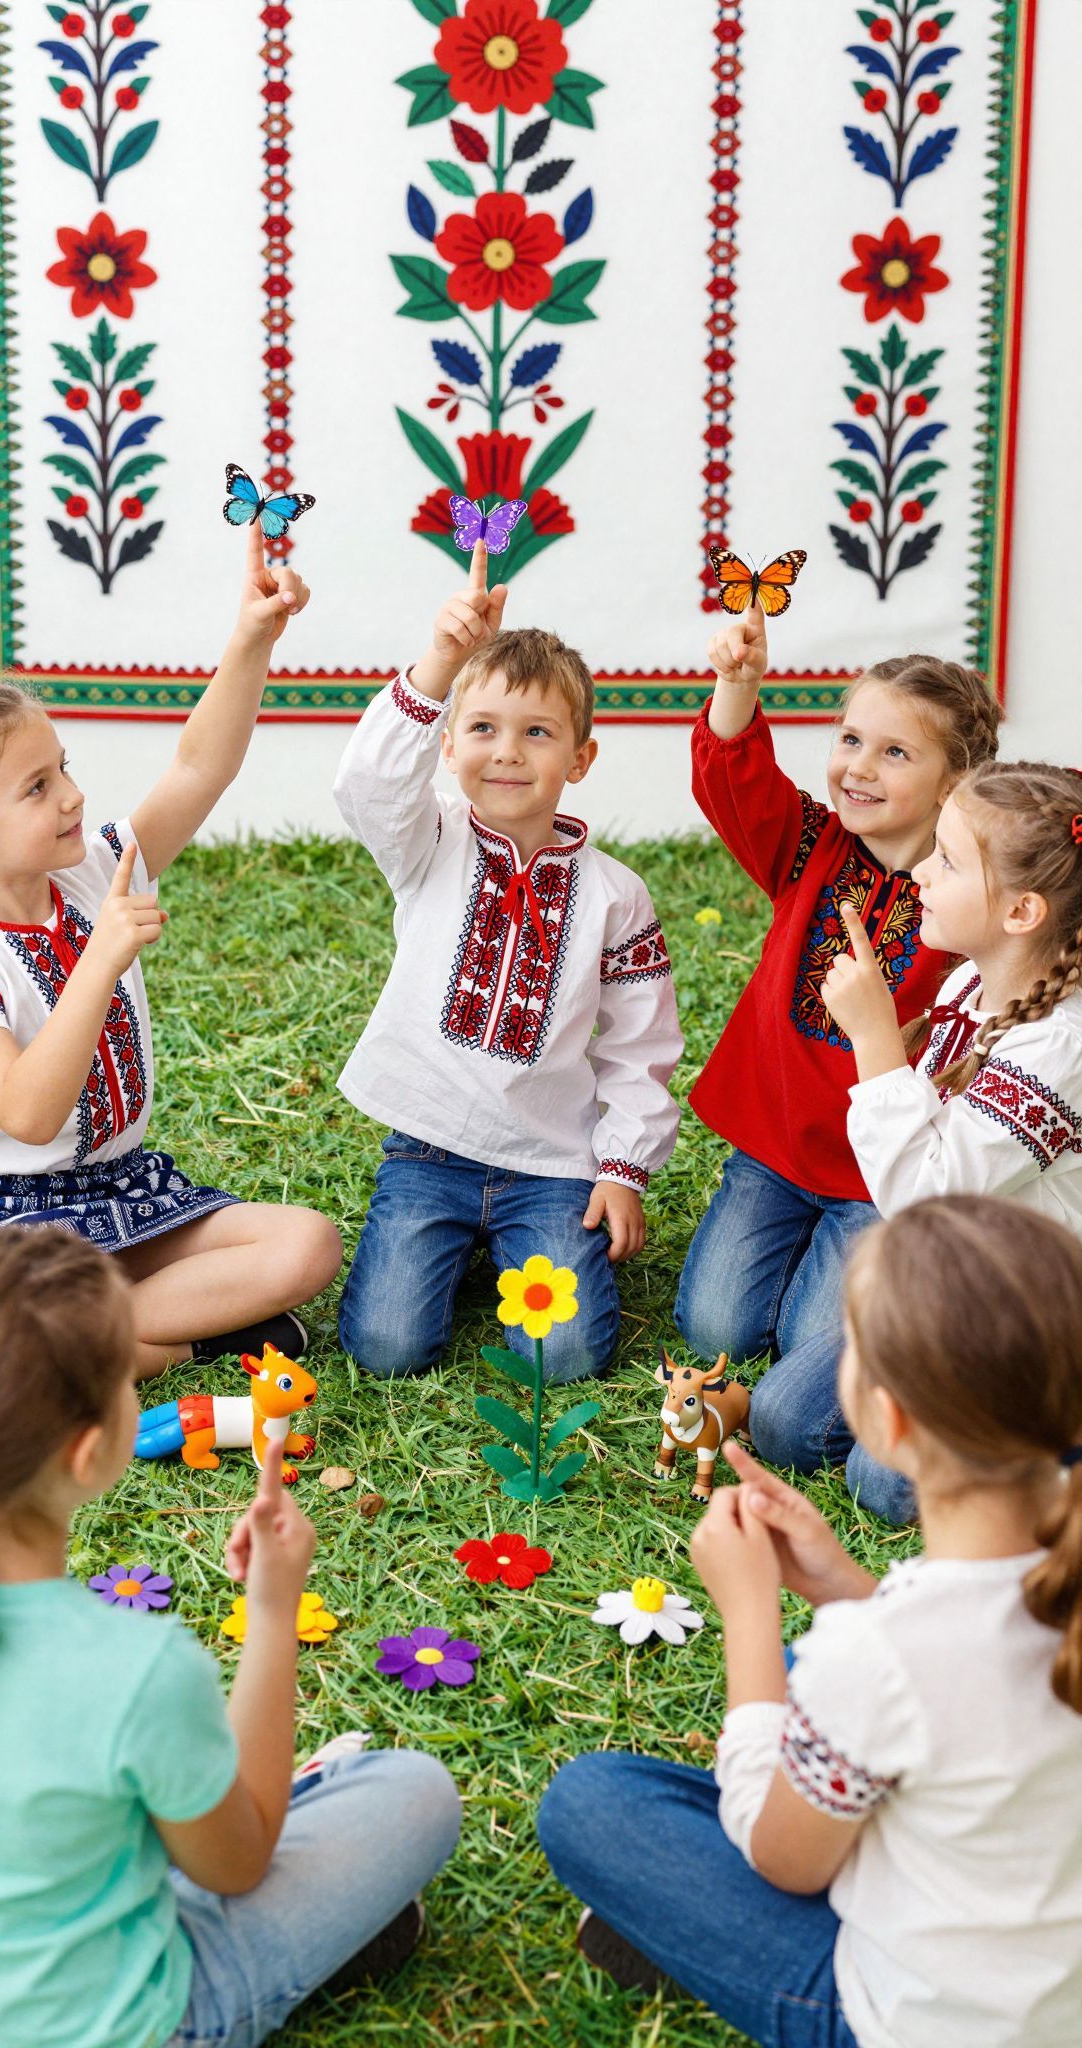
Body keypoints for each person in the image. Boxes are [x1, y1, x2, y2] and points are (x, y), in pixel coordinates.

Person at [538, 1195, 1082, 2048]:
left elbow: (782, 1858)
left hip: (913, 2022)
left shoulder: (878, 1656)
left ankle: (694, 1935)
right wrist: (840, 1583)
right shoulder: (1011, 1598)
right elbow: (967, 1685)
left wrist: (748, 1614)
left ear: (887, 1420)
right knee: (812, 1677)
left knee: (590, 1804)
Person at [0, 1227, 462, 2048]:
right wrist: (275, 1615)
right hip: (137, 2023)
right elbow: (238, 1864)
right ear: (89, 1453)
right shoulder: (129, 1668)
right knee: (414, 1793)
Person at [0, 528, 341, 1375]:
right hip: (5, 1221)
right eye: (37, 787)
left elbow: (198, 770)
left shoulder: (91, 871)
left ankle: (79, 1342)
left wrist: (249, 641)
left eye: (64, 768)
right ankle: (186, 1341)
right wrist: (99, 960)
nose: (74, 796)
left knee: (307, 1245)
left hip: (125, 1192)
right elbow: (28, 1113)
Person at [677, 599, 1000, 1512]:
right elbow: (732, 779)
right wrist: (738, 683)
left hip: (876, 1185)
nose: (858, 767)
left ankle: (860, 1317)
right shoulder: (812, 846)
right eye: (851, 739)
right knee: (714, 1326)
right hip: (774, 1152)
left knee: (796, 1364)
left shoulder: (964, 903)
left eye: (895, 752)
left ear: (953, 783)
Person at [332, 542, 683, 1382]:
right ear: (448, 746)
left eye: (537, 733)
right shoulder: (431, 845)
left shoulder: (616, 895)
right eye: (482, 729)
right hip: (428, 1152)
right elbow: (367, 786)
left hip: (552, 1167)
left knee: (564, 1357)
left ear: (581, 758)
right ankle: (451, 1254)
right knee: (386, 1347)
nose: (508, 752)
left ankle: (506, 1250)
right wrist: (437, 665)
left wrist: (622, 1168)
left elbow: (639, 1044)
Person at [806, 759, 1082, 1518]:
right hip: (960, 1278)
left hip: (1023, 1314)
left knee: (883, 1486)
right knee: (789, 1425)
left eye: (950, 860)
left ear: (1022, 912)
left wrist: (873, 1040)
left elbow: (925, 1195)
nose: (922, 870)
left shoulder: (1059, 1046)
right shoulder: (973, 980)